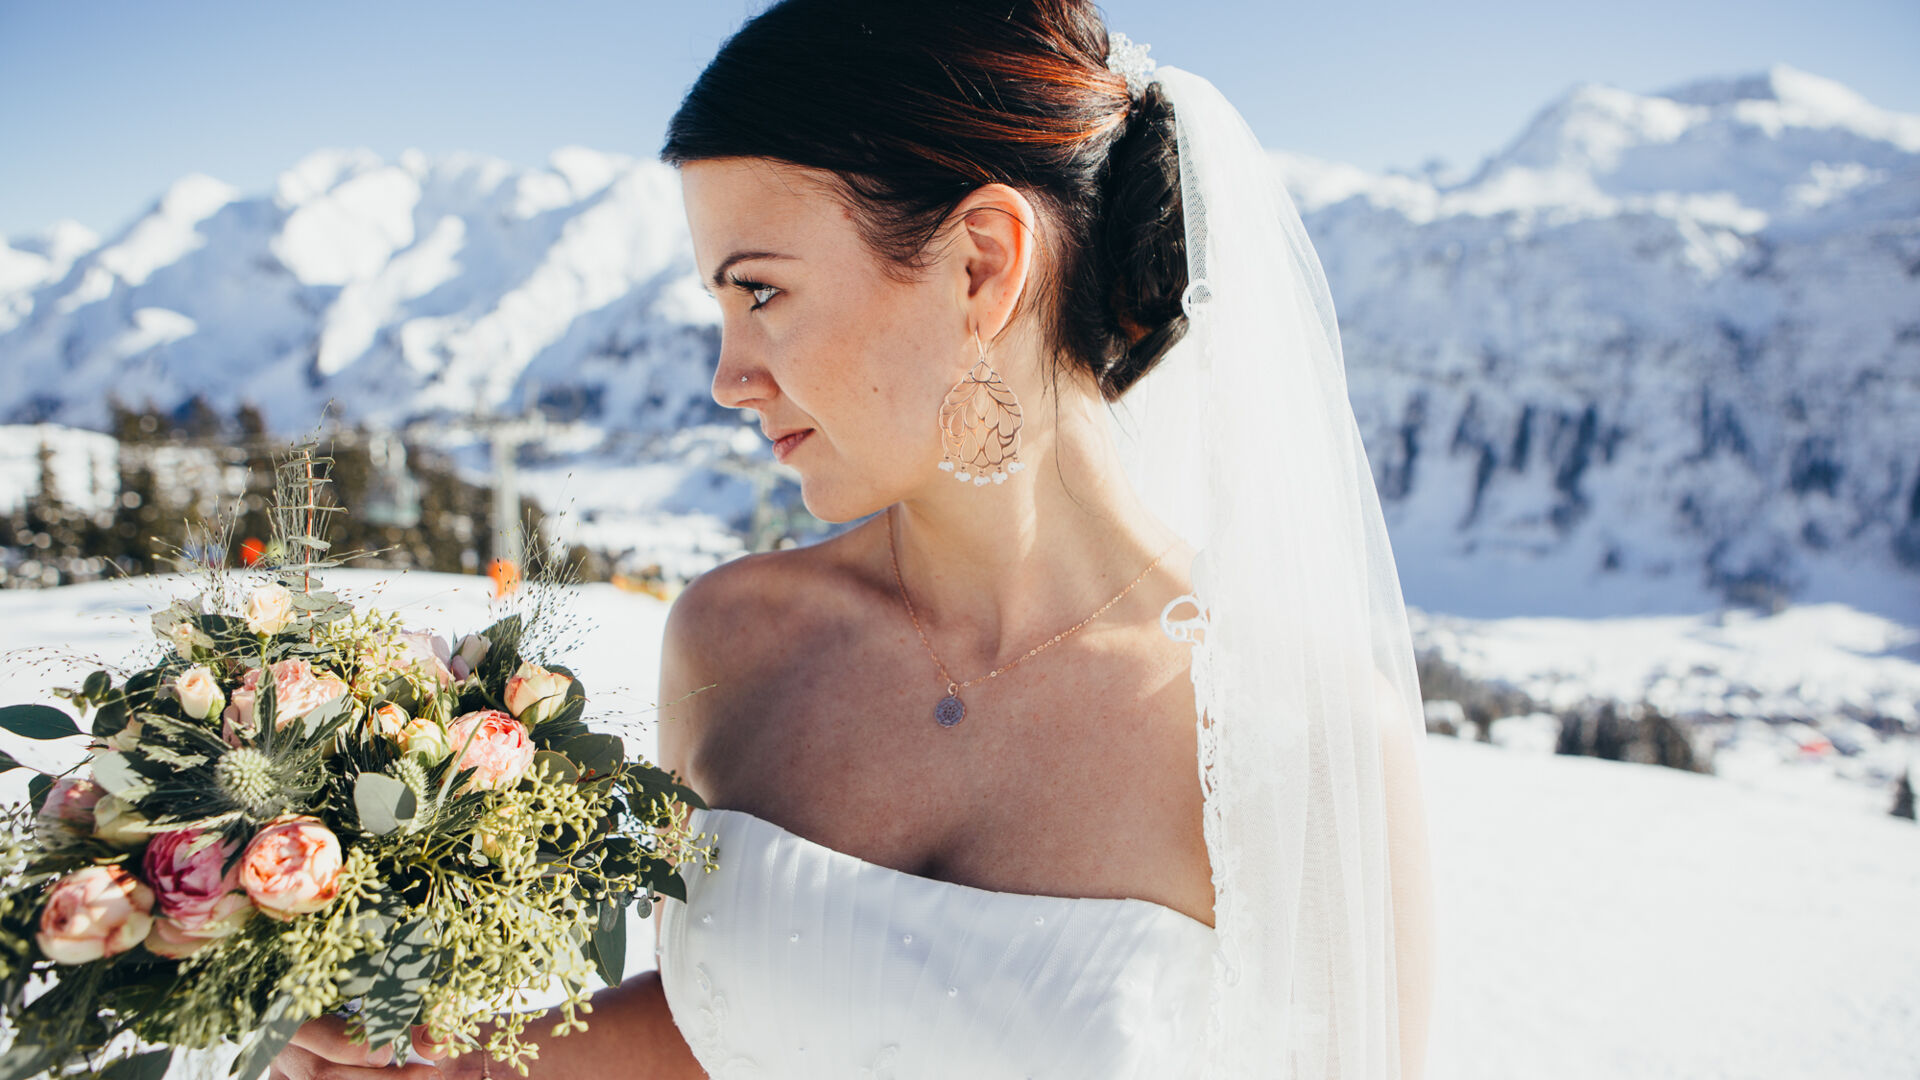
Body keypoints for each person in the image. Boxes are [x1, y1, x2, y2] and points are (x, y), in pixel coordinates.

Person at [272, 2, 1433, 1078]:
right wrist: (456, 1062)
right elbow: (724, 1028)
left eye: (762, 292)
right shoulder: (735, 641)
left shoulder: (1298, 732)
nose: (729, 376)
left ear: (982, 262)